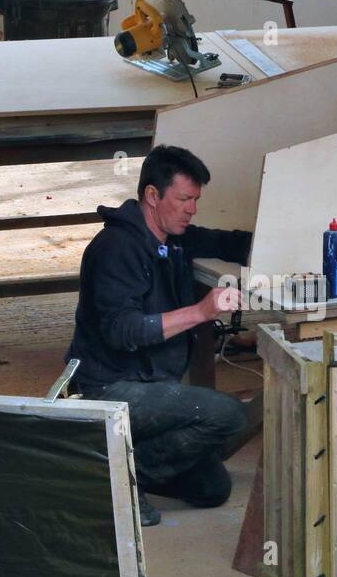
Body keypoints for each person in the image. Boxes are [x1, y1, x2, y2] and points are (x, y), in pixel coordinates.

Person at [65, 145, 251, 526]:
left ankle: (124, 461)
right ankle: (116, 480)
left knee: (212, 488)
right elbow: (122, 331)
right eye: (184, 198)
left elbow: (227, 242)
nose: (192, 209)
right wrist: (201, 312)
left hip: (148, 386)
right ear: (152, 195)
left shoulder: (173, 238)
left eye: (196, 199)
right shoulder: (115, 248)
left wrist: (290, 243)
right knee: (228, 415)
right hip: (106, 388)